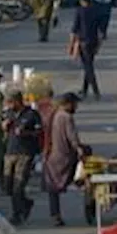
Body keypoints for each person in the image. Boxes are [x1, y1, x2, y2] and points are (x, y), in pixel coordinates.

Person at [43, 93, 85, 226]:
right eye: (75, 104)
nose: (76, 107)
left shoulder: (54, 114)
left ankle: (55, 215)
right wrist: (80, 150)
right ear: (68, 104)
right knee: (80, 177)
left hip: (51, 156)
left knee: (53, 188)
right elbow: (72, 138)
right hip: (64, 157)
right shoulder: (66, 117)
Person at [1, 90, 42, 225]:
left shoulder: (31, 114)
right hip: (10, 151)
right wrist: (4, 126)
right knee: (7, 185)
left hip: (24, 153)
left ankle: (16, 214)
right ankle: (25, 203)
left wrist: (26, 133)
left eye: (11, 102)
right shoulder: (9, 114)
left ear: (18, 101)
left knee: (18, 185)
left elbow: (39, 132)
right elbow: (2, 125)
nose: (9, 105)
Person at [69, 0, 104, 99]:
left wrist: (71, 45)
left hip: (83, 41)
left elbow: (74, 29)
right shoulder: (96, 11)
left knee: (88, 67)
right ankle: (84, 89)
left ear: (81, 1)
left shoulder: (80, 11)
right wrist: (99, 45)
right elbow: (101, 31)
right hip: (94, 41)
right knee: (88, 65)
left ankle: (96, 90)